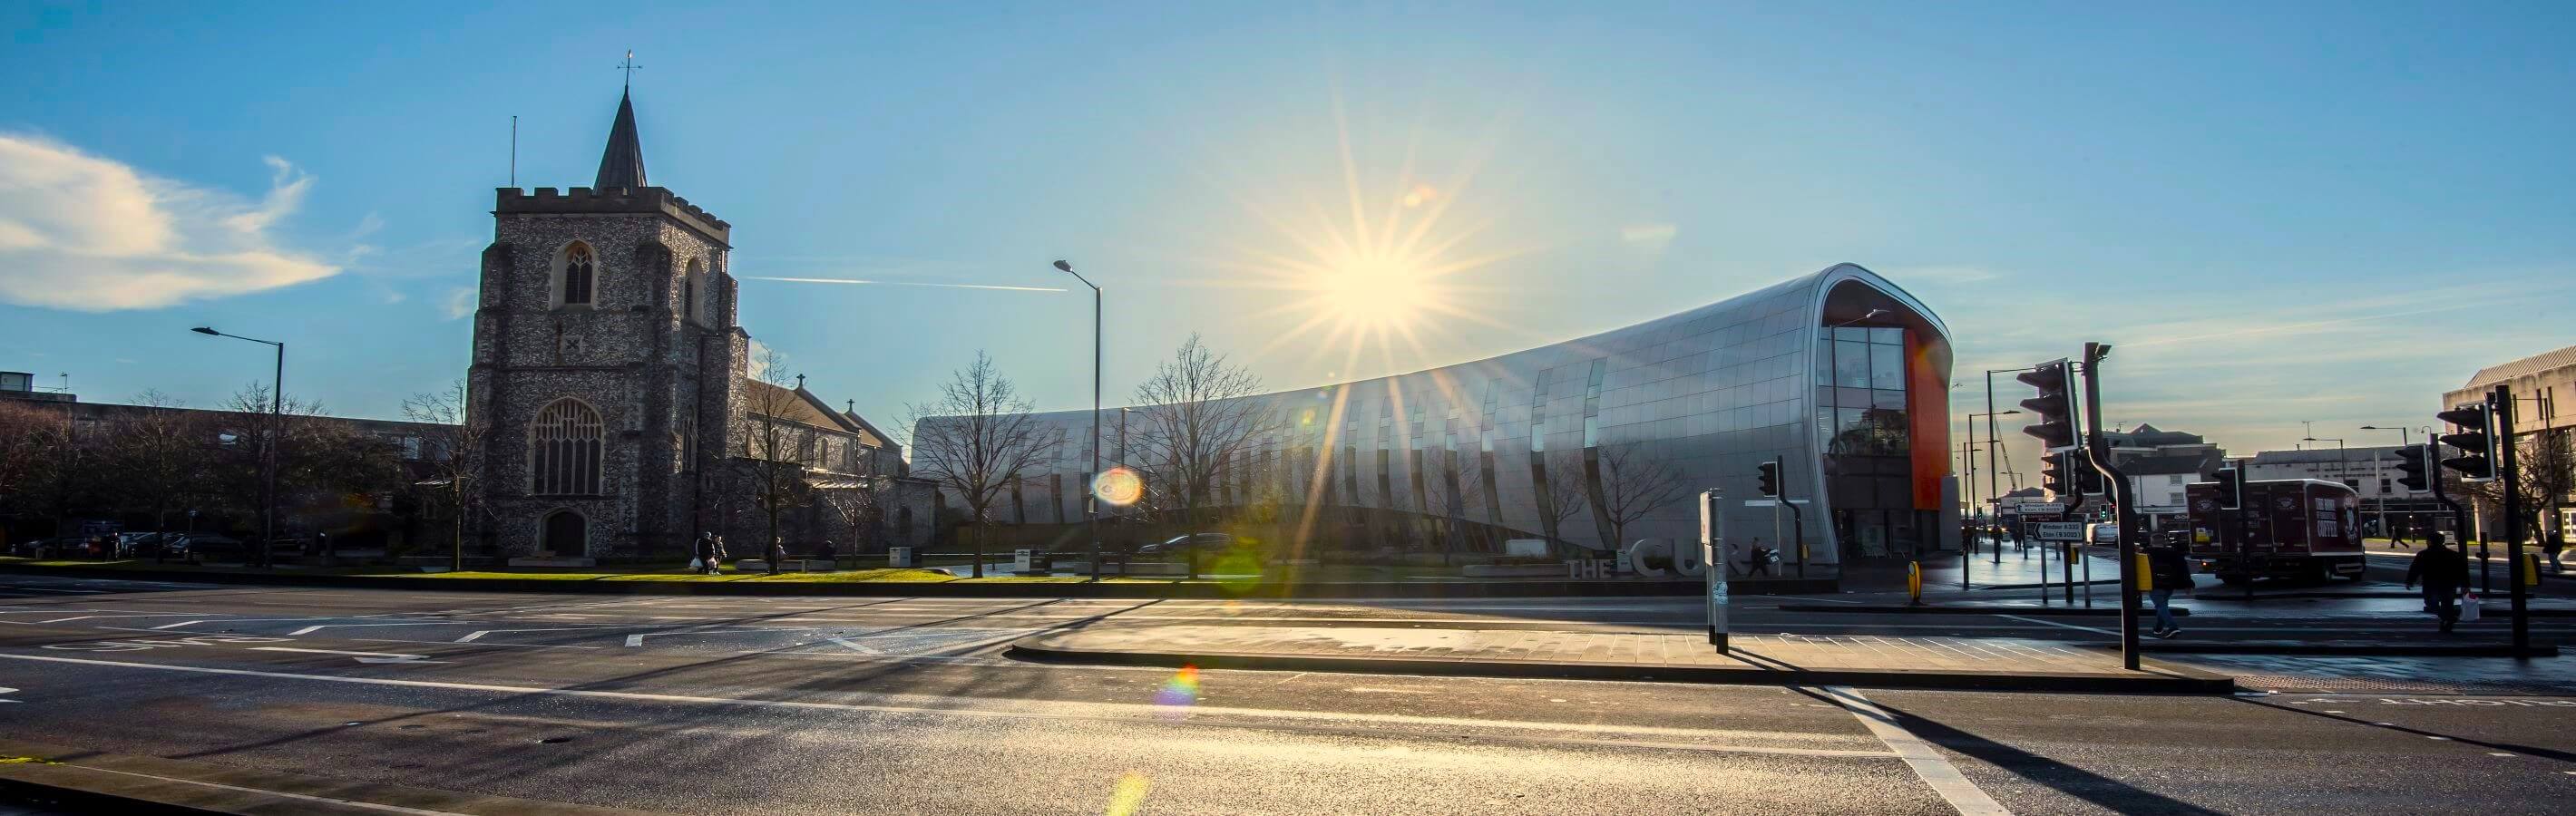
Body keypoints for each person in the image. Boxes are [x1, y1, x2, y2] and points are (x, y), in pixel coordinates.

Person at [2405, 533, 2471, 634]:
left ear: (2429, 542)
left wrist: (2410, 581)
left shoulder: (2423, 554)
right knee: (2447, 604)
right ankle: (2447, 620)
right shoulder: (2453, 554)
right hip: (2449, 584)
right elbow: (2462, 571)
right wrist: (2465, 585)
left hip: (2430, 583)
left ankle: (2446, 618)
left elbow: (2415, 569)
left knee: (2430, 603)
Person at [2147, 540, 2193, 638]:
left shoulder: (2147, 553)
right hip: (2170, 584)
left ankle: (2173, 627)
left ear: (2151, 542)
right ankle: (2158, 628)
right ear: (2164, 543)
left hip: (2154, 584)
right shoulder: (2173, 553)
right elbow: (2183, 569)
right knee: (2163, 606)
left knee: (2160, 606)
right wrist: (2188, 584)